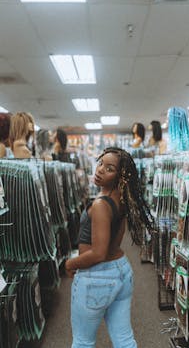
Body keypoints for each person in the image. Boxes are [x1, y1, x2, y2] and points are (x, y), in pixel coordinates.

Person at [65, 147, 154, 348]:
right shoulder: (121, 200)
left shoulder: (100, 205)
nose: (100, 170)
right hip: (122, 271)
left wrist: (70, 263)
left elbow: (98, 253)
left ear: (120, 176)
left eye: (109, 168)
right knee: (124, 339)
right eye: (101, 163)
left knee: (82, 342)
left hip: (96, 276)